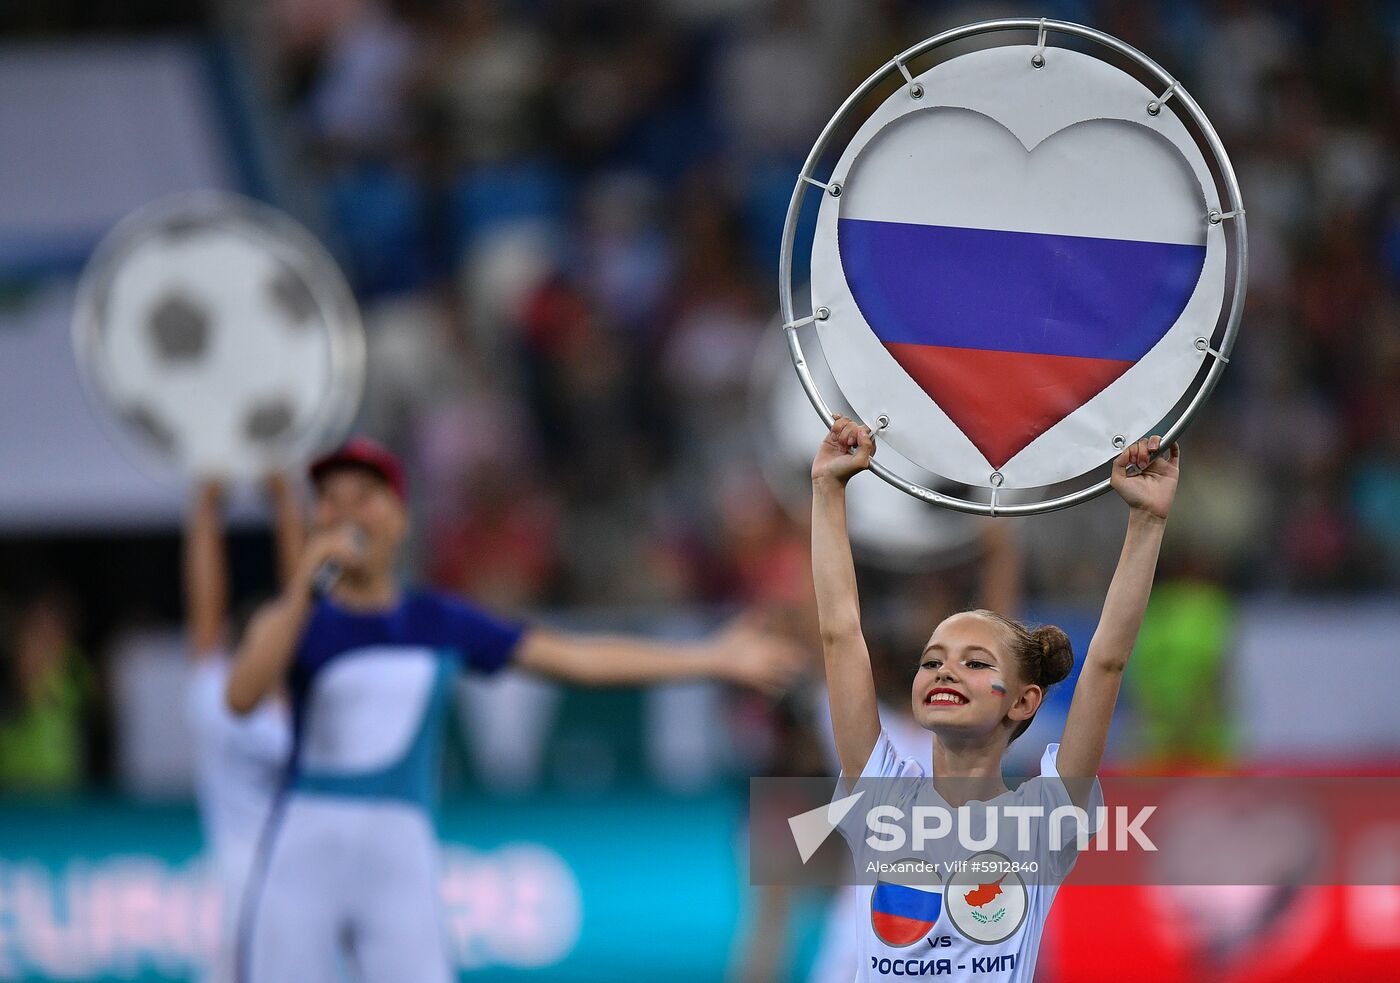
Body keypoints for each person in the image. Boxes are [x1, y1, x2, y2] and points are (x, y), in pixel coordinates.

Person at [226, 436, 803, 983]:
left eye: (363, 499)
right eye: (329, 501)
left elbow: (575, 658)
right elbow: (243, 696)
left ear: (399, 517)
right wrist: (304, 583)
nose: (344, 514)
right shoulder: (299, 621)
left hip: (398, 851)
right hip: (303, 848)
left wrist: (708, 657)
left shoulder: (435, 621)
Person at [811, 416, 1178, 980]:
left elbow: (1106, 661)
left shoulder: (1045, 818)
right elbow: (840, 633)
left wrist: (1147, 520)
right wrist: (828, 490)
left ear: (1025, 702)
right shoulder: (882, 801)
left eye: (975, 664)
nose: (946, 672)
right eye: (932, 660)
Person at [184, 476, 301, 983]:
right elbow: (206, 609)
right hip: (252, 897)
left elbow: (301, 601)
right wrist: (209, 508)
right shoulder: (222, 702)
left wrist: (280, 504)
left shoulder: (303, 702)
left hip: (296, 891)